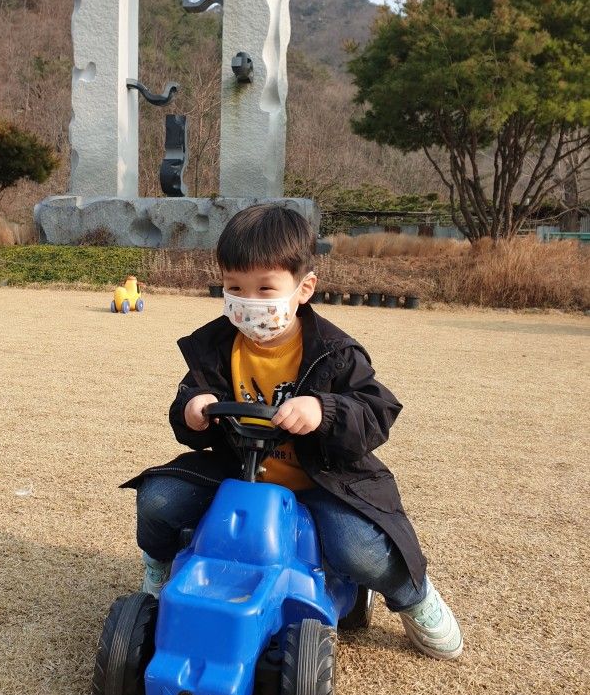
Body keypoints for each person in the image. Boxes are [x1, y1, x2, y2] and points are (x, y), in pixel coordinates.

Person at [122, 204, 463, 660]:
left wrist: (325, 410)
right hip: (236, 473)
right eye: (234, 289)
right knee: (159, 498)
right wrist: (192, 408)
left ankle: (414, 596)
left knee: (358, 549)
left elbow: (377, 412)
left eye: (265, 288)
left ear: (304, 289)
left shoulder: (334, 353)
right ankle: (160, 567)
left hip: (321, 480)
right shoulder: (216, 346)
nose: (249, 303)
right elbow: (189, 402)